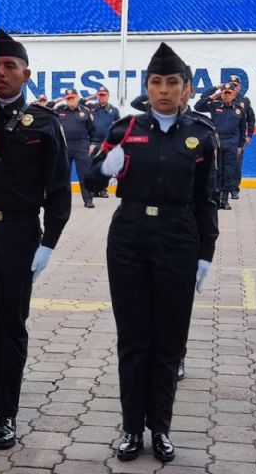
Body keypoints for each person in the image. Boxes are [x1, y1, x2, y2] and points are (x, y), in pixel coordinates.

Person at [93, 42, 218, 463]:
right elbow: (92, 178)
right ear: (146, 87)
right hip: (129, 236)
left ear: (186, 89)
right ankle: (131, 428)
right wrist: (104, 168)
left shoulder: (201, 135)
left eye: (172, 82)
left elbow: (207, 198)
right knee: (133, 339)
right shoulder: (125, 129)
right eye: (156, 82)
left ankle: (160, 427)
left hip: (178, 236)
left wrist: (206, 252)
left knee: (169, 340)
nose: (163, 90)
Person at [0, 29, 71, 451]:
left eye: (8, 66)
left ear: (27, 74)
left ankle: (6, 415)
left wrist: (49, 244)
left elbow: (58, 191)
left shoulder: (44, 124)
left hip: (18, 237)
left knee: (10, 328)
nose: (0, 73)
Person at [194, 82, 245, 210]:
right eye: (225, 93)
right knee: (216, 172)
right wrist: (214, 93)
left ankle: (225, 200)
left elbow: (242, 129)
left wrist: (240, 146)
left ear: (234, 94)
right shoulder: (214, 105)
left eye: (229, 93)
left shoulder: (239, 109)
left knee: (228, 172)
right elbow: (198, 106)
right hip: (217, 142)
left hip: (232, 144)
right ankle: (216, 199)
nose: (227, 95)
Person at [58, 89, 96, 208]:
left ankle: (88, 200)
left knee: (84, 174)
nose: (71, 99)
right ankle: (63, 202)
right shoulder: (58, 111)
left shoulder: (85, 111)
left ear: (78, 98)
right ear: (65, 99)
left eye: (73, 97)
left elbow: (92, 130)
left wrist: (93, 143)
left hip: (81, 146)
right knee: (63, 175)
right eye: (68, 98)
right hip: (65, 146)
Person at [87, 87, 120, 197]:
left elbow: (117, 126)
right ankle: (92, 190)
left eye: (104, 95)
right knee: (90, 166)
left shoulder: (114, 110)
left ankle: (103, 190)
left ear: (108, 96)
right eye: (100, 95)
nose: (102, 97)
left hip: (106, 143)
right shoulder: (90, 108)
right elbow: (80, 103)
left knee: (104, 166)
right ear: (97, 96)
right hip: (92, 142)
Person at [229, 76, 255, 199]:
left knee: (236, 164)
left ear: (239, 87)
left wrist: (249, 136)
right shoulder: (223, 98)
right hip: (224, 137)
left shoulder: (244, 101)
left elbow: (251, 120)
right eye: (231, 85)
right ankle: (221, 189)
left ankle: (234, 189)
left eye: (236, 85)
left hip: (238, 137)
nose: (233, 87)